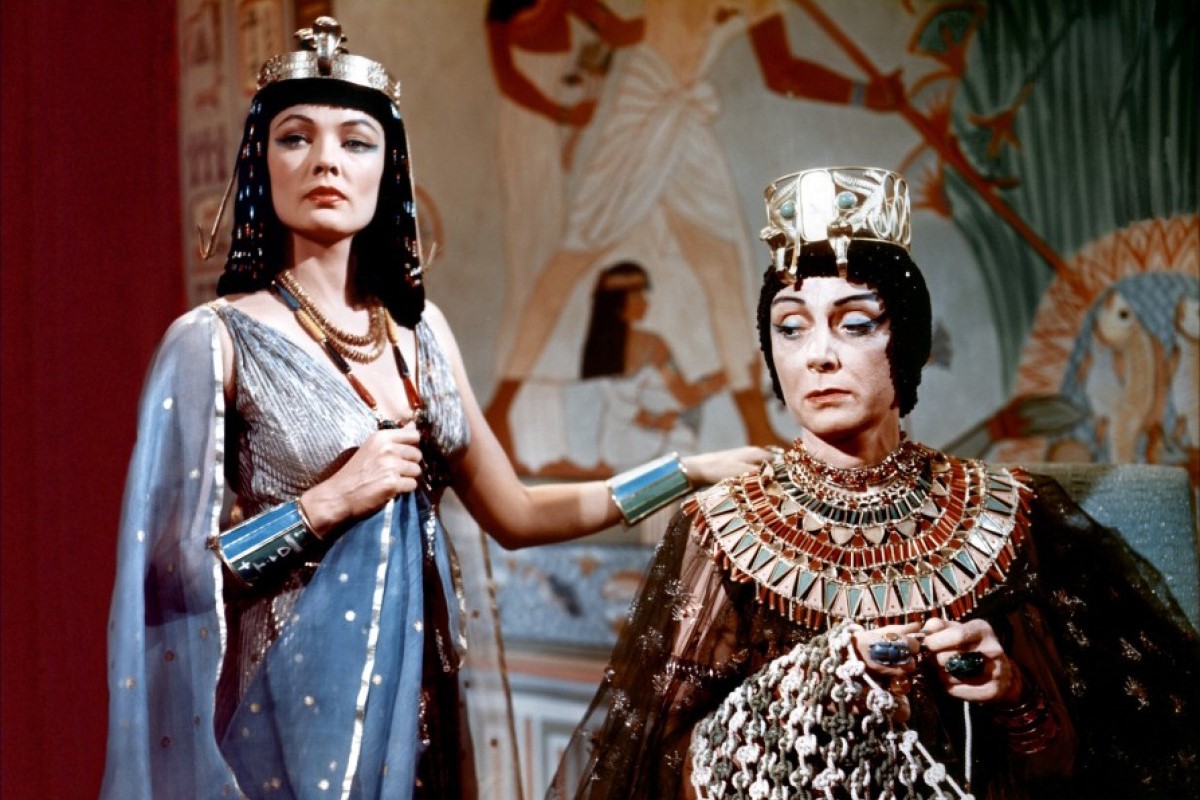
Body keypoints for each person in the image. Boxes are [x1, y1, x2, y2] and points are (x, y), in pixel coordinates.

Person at [100, 18, 766, 800]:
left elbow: (518, 514)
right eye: (295, 138)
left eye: (356, 142)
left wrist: (686, 471)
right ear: (261, 162)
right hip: (285, 720)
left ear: (388, 168)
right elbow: (172, 576)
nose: (325, 162)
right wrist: (325, 505)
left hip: (423, 713)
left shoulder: (421, 336)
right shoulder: (212, 341)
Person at [549, 167, 1200, 798]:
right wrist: (812, 690)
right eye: (790, 327)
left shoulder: (1003, 514)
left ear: (906, 339)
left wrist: (1013, 692)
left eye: (855, 324)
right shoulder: (724, 529)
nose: (818, 355)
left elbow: (1069, 770)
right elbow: (668, 775)